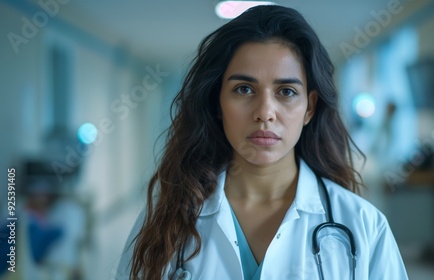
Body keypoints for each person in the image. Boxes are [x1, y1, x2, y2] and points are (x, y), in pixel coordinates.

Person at [116, 5, 408, 280]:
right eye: (244, 89)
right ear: (217, 104)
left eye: (286, 91)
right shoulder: (165, 220)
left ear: (309, 108)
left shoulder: (364, 224)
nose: (265, 112)